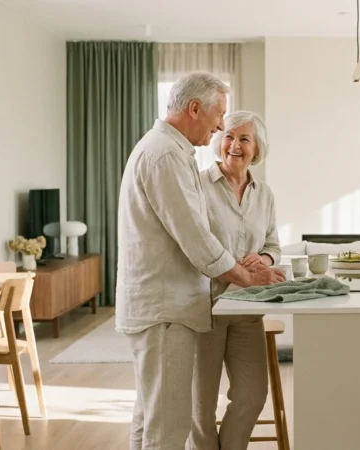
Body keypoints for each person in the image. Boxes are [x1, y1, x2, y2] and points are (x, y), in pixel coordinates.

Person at [116, 72, 285, 450]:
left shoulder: (169, 152)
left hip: (171, 308)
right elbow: (196, 237)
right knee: (169, 426)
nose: (222, 126)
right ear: (195, 108)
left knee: (150, 418)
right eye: (219, 116)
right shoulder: (164, 156)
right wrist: (246, 276)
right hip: (167, 310)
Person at [188, 111, 279, 450]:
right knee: (200, 407)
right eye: (228, 136)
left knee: (252, 394)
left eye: (244, 139)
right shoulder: (197, 185)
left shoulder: (264, 194)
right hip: (203, 308)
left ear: (257, 149)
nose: (234, 145)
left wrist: (264, 259)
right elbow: (194, 243)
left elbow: (273, 245)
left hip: (246, 306)